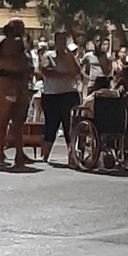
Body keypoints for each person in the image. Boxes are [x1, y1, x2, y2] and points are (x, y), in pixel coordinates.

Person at [0, 19, 35, 167]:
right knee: (9, 121)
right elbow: (18, 62)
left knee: (11, 121)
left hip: (13, 84)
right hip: (10, 83)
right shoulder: (14, 43)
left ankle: (13, 153)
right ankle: (3, 154)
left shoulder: (4, 46)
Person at [40, 31, 82, 165]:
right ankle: (45, 155)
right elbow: (46, 71)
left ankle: (72, 155)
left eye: (64, 41)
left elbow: (77, 71)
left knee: (69, 126)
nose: (62, 44)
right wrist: (65, 75)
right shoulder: (48, 55)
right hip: (51, 95)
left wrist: (69, 57)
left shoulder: (70, 56)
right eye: (60, 40)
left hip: (69, 94)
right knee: (50, 126)